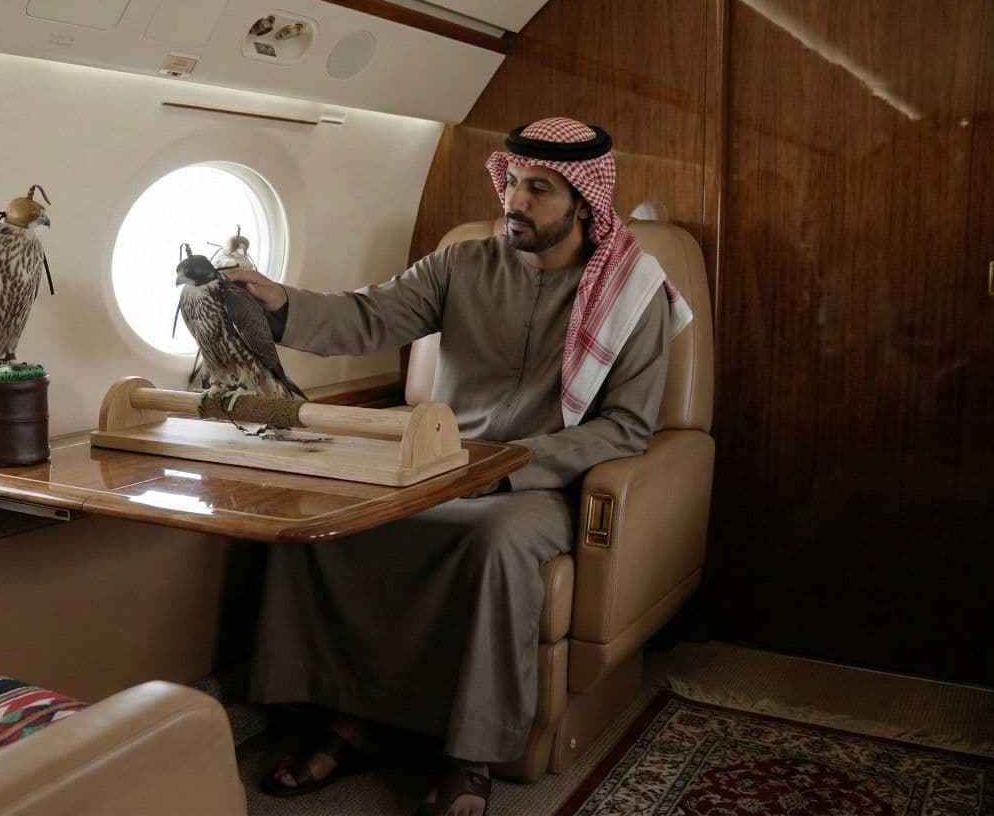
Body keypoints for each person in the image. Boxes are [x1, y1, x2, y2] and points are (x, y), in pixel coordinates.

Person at [223, 117, 694, 816]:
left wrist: (511, 465)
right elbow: (369, 317)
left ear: (584, 202)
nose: (514, 201)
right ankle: (349, 719)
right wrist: (282, 302)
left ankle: (469, 754)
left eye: (537, 189)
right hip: (436, 460)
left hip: (539, 481)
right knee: (328, 521)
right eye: (511, 182)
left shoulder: (633, 295)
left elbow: (624, 428)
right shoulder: (463, 262)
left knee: (494, 541)